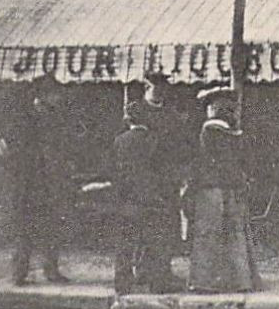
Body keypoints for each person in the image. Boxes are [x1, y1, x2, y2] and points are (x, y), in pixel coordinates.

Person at [187, 87, 261, 293]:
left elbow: (201, 162)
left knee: (208, 234)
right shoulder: (236, 133)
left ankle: (206, 281)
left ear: (213, 109)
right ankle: (241, 280)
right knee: (236, 234)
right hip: (234, 189)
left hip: (210, 190)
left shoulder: (208, 131)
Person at [2, 80, 72, 286]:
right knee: (24, 230)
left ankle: (51, 270)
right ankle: (19, 273)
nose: (58, 98)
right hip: (27, 185)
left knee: (51, 227)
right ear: (44, 95)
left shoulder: (55, 118)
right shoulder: (24, 120)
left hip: (48, 184)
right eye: (55, 94)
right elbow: (16, 155)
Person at [108, 102, 180, 294]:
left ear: (128, 119)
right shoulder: (154, 140)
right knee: (155, 243)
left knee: (125, 243)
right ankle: (157, 284)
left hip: (129, 199)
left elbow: (116, 172)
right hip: (152, 199)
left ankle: (122, 284)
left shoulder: (120, 141)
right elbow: (164, 172)